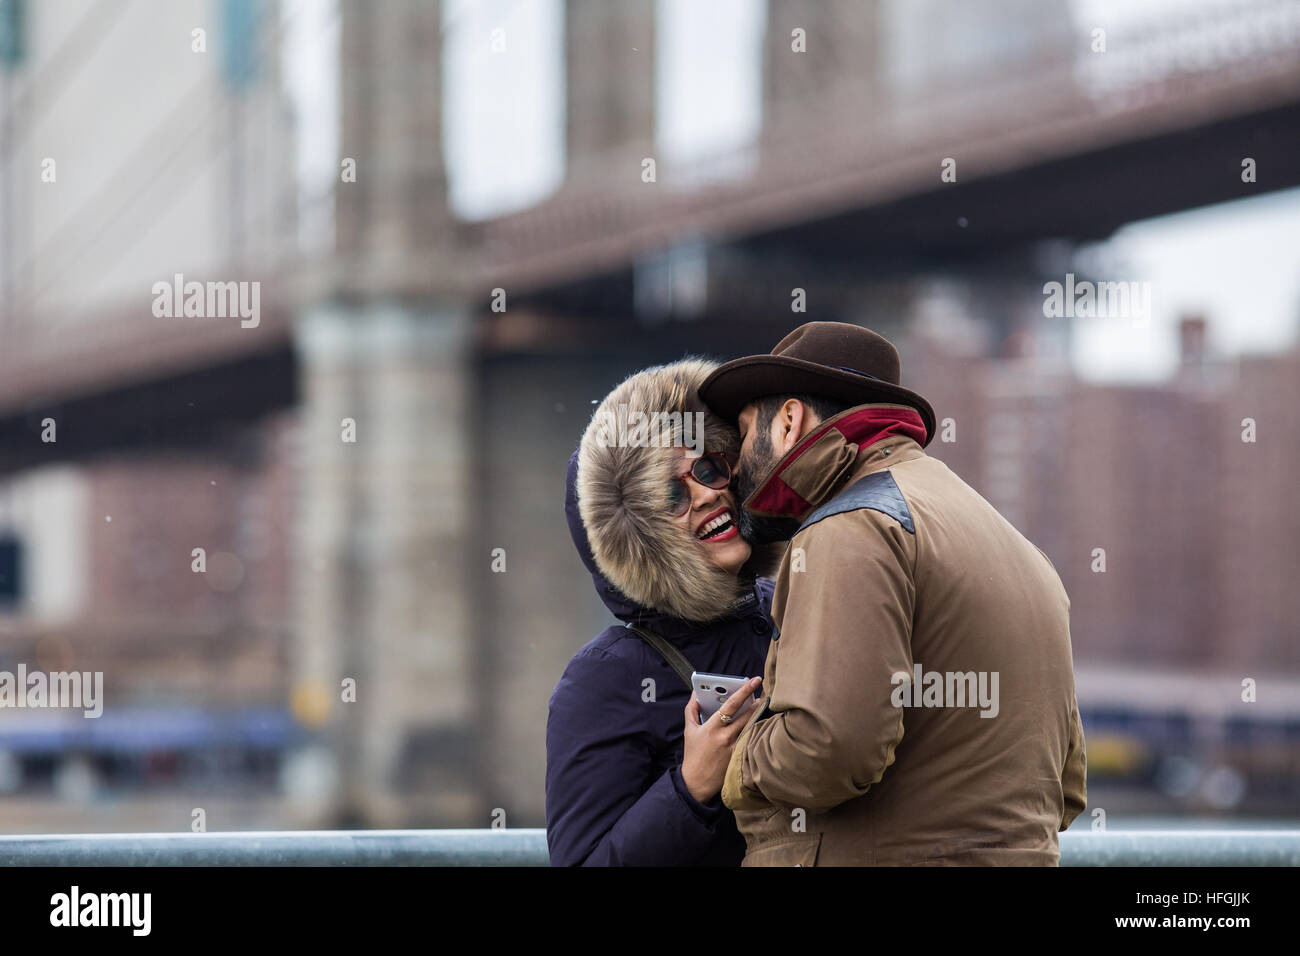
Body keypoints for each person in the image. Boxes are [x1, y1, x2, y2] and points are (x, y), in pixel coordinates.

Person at [697, 321, 1087, 866]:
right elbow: (1065, 788)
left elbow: (829, 751)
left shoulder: (850, 526)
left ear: (788, 421)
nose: (736, 463)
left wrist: (731, 752)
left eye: (743, 432)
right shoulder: (1019, 548)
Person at [546, 357, 781, 866]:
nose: (705, 495)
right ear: (639, 540)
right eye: (670, 495)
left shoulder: (792, 606)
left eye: (708, 468)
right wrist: (691, 785)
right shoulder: (606, 678)